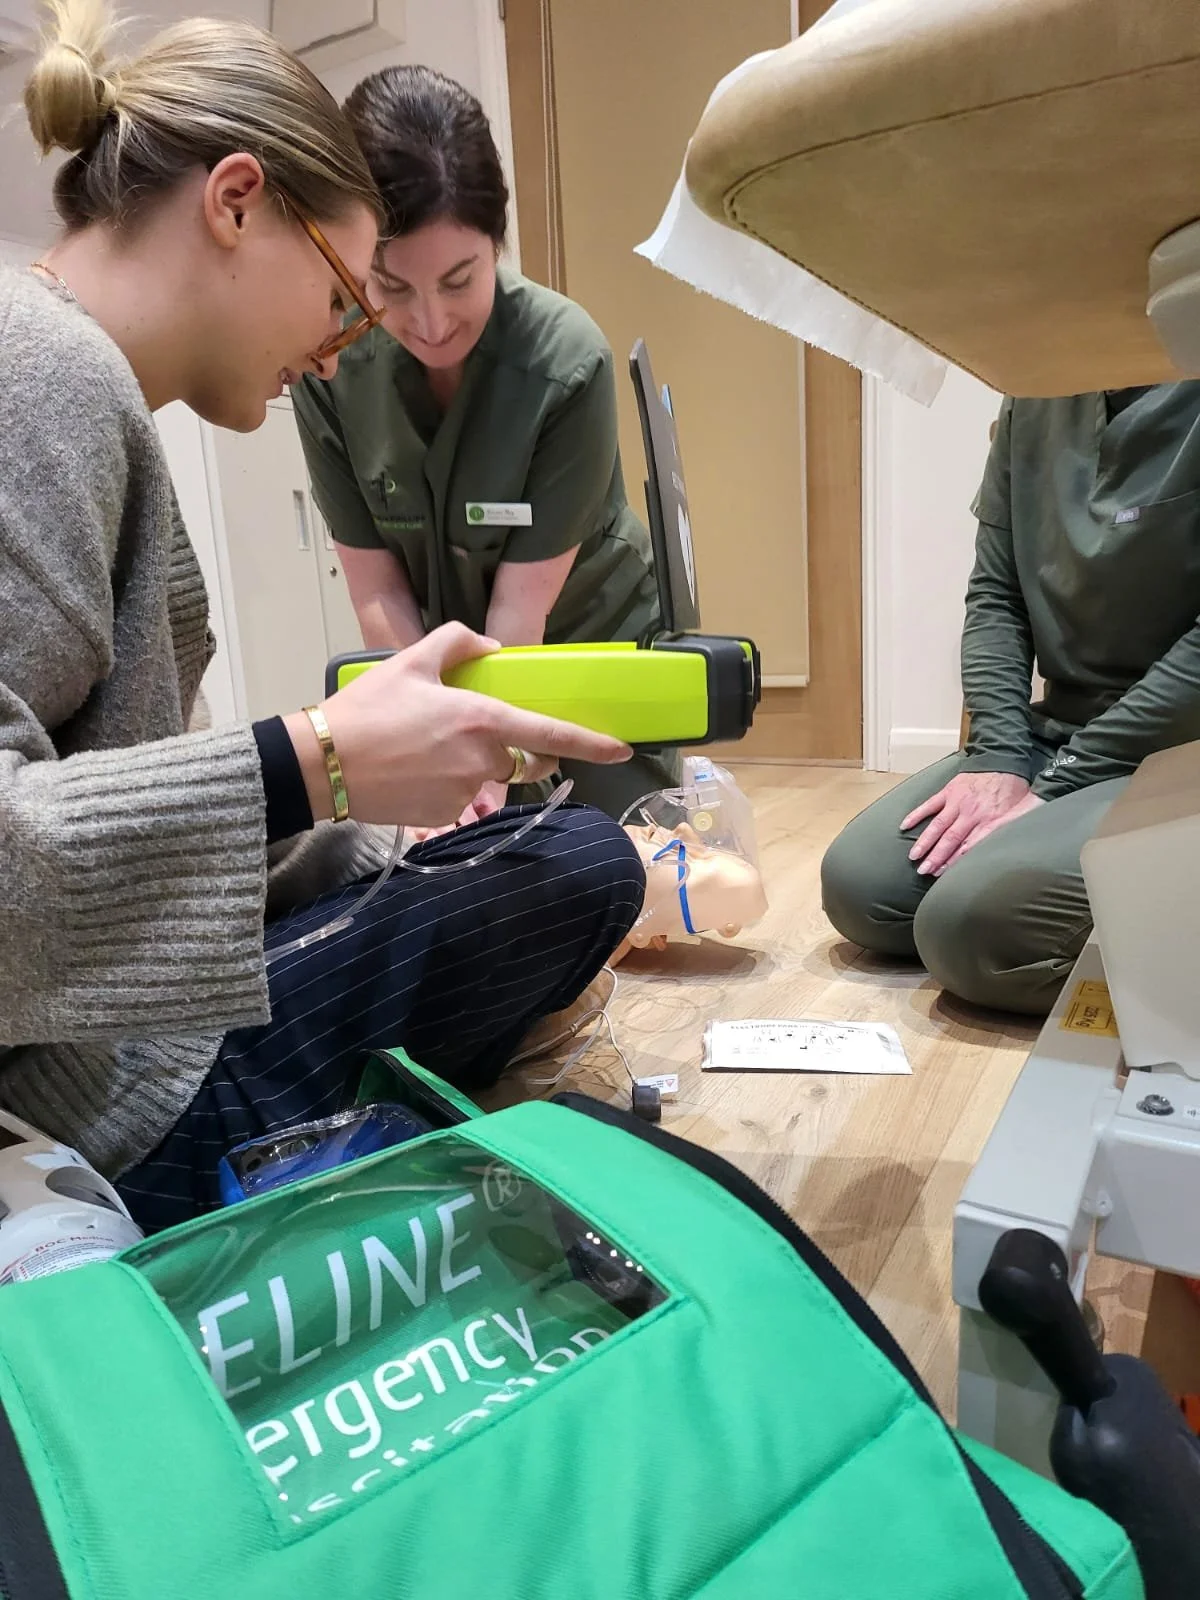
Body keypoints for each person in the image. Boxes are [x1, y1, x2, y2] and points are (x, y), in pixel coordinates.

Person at [1, 0, 645, 1236]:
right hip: (104, 1107)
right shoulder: (42, 379)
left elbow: (103, 814)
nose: (345, 348)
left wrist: (336, 825)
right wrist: (313, 760)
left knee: (467, 852)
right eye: (352, 294)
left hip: (107, 1023)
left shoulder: (72, 381)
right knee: (581, 864)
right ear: (237, 202)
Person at [292, 64, 680, 826]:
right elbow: (378, 593)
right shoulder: (330, 368)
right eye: (391, 288)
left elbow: (519, 611)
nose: (430, 322)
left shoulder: (566, 362)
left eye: (458, 280)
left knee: (620, 857)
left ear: (497, 244)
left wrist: (479, 764)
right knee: (447, 855)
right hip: (443, 662)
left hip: (579, 649)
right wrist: (424, 745)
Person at [821, 383, 1200, 1015]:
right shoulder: (1036, 391)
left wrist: (1058, 783)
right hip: (1066, 727)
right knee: (865, 891)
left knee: (971, 935)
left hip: (1183, 751)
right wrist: (998, 757)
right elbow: (996, 594)